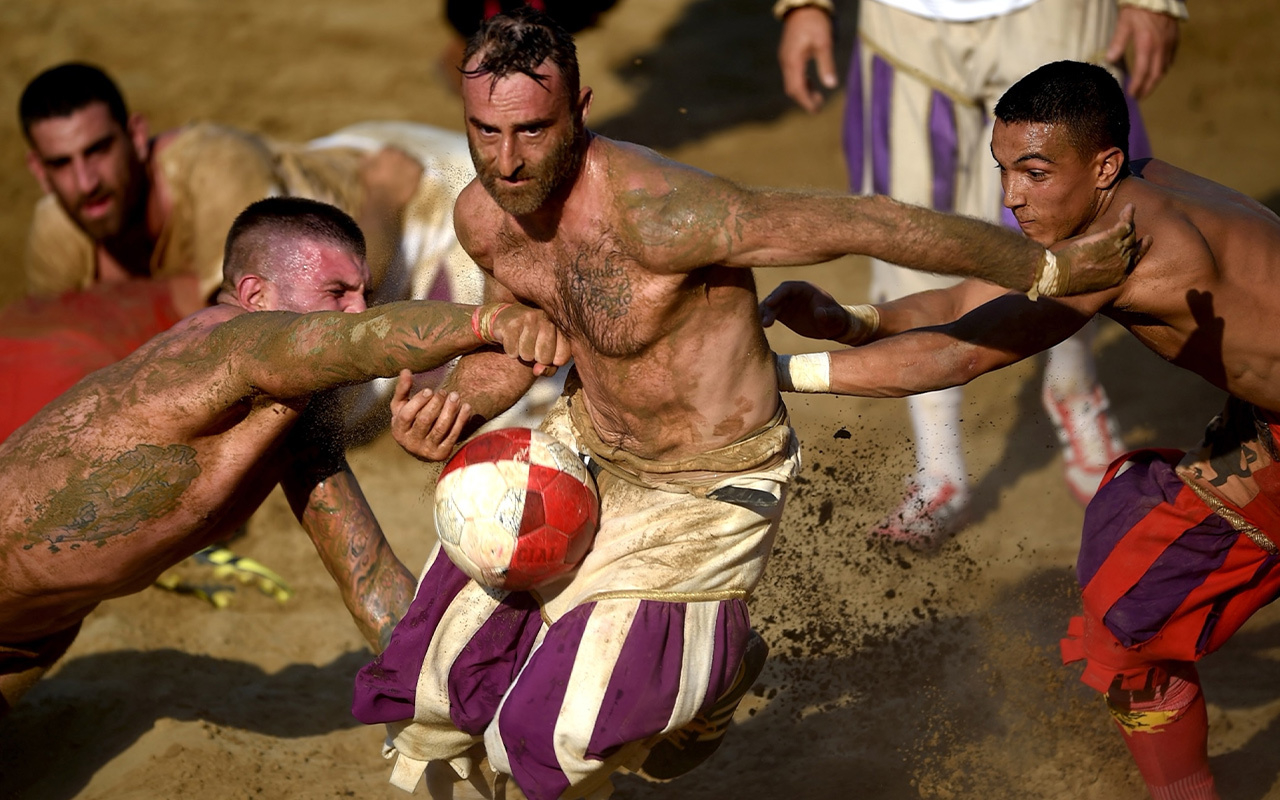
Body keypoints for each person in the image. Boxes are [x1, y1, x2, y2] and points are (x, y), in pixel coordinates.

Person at [349, 11, 1143, 800]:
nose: (508, 161)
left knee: (562, 728)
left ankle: (710, 673)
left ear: (581, 110)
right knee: (441, 686)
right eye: (485, 133)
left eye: (532, 130)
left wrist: (1045, 270)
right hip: (586, 445)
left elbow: (870, 222)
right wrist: (457, 402)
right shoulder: (484, 216)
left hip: (708, 482)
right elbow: (516, 349)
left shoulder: (667, 212)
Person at [761, 60, 1280, 800]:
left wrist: (775, 375)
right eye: (1004, 169)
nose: (1010, 196)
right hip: (1265, 424)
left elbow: (958, 354)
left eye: (1034, 173)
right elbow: (983, 293)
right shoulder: (1136, 185)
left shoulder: (1127, 246)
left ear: (1100, 165)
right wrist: (856, 323)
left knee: (1126, 631)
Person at [0, 195, 569, 722]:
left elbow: (369, 579)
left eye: (365, 295)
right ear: (256, 298)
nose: (358, 310)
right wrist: (493, 321)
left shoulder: (291, 422)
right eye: (336, 293)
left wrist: (478, 698)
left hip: (31, 635)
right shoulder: (225, 342)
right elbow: (361, 341)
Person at [774, 0, 1186, 546]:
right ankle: (939, 466)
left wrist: (777, 371)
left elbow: (961, 352)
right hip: (907, 25)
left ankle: (1074, 389)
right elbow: (939, 294)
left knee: (1073, 223)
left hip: (1052, 13)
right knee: (910, 235)